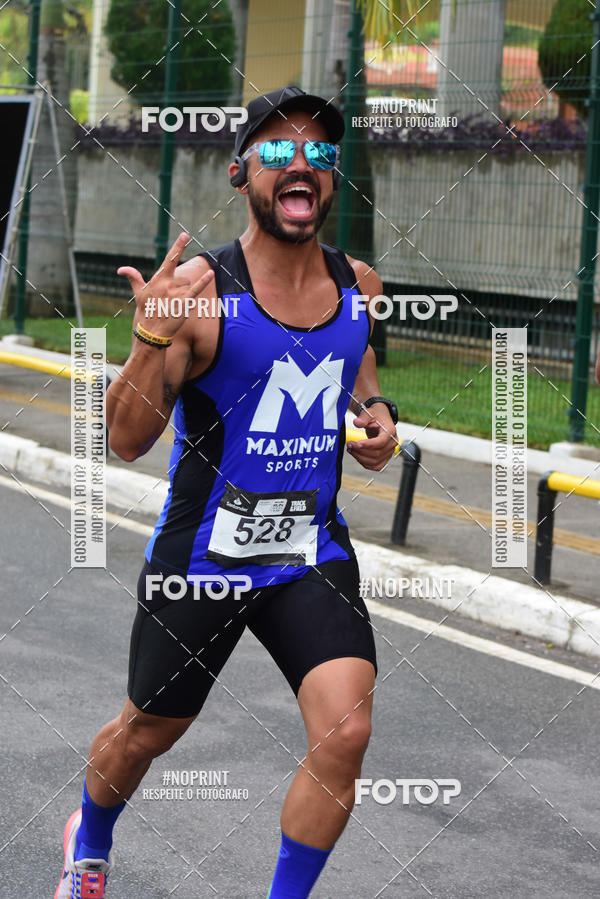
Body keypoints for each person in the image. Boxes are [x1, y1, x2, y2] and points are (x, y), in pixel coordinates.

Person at [55, 85, 399, 899]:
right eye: (277, 151)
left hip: (308, 551)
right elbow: (126, 439)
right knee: (146, 733)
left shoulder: (359, 283)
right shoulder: (200, 293)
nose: (301, 163)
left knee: (346, 732)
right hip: (203, 561)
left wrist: (378, 414)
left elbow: (357, 364)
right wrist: (149, 338)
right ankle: (89, 837)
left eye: (319, 152)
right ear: (242, 174)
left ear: (331, 178)